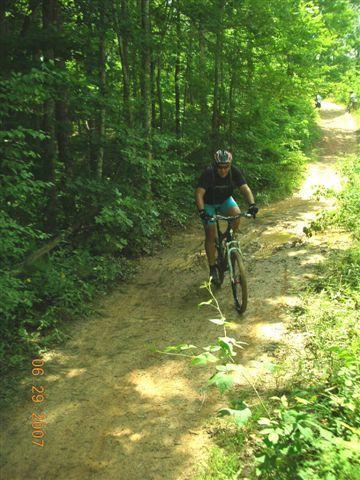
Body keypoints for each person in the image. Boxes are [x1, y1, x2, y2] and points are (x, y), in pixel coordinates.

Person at [195, 149, 258, 284]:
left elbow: (245, 188)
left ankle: (230, 236)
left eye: (226, 167)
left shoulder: (234, 171)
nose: (223, 170)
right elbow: (199, 194)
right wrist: (202, 212)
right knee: (210, 234)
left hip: (225, 200)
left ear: (230, 165)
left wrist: (252, 204)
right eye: (220, 167)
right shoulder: (208, 173)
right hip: (208, 204)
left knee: (237, 214)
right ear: (215, 165)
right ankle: (212, 267)